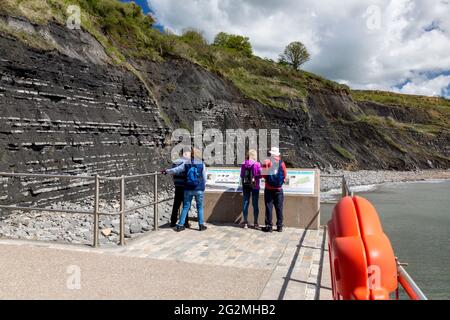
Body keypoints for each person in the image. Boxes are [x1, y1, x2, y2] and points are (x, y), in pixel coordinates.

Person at [163, 148, 207, 232]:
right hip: (199, 188)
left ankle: (180, 225)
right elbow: (204, 178)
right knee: (200, 207)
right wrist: (203, 186)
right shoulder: (202, 164)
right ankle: (201, 225)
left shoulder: (186, 163)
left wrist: (166, 171)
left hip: (187, 188)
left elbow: (176, 170)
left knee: (185, 207)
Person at [162, 150, 191, 228]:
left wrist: (175, 181)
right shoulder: (186, 162)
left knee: (176, 204)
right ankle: (185, 222)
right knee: (186, 204)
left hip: (177, 185)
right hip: (184, 185)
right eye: (189, 153)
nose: (190, 155)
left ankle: (173, 222)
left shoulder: (175, 162)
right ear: (185, 154)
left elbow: (173, 173)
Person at [261, 147, 287, 233]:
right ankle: (279, 226)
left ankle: (269, 226)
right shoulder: (281, 163)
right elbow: (285, 174)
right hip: (279, 189)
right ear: (278, 154)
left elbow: (263, 175)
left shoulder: (267, 162)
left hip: (268, 189)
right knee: (279, 208)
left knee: (269, 207)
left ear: (271, 154)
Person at [240, 149, 261, 229]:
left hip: (246, 186)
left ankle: (245, 222)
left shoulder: (243, 164)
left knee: (245, 203)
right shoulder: (257, 164)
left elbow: (242, 176)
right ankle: (255, 223)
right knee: (255, 204)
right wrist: (255, 177)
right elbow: (261, 175)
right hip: (255, 186)